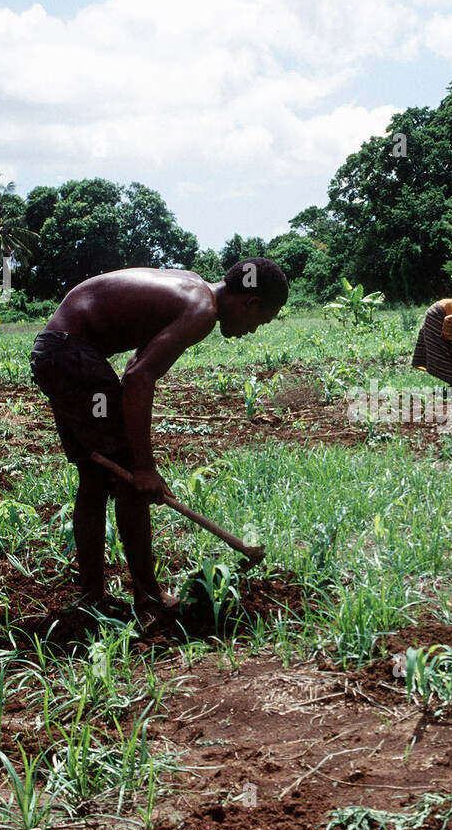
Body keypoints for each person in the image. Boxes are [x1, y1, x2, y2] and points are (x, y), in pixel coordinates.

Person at [30, 258, 288, 615]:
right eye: (261, 321)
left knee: (97, 476)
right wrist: (145, 466)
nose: (253, 330)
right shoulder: (201, 310)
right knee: (131, 479)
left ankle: (92, 598)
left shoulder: (194, 288)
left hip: (58, 352)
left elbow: (134, 366)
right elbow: (138, 377)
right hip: (71, 355)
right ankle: (149, 598)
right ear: (251, 303)